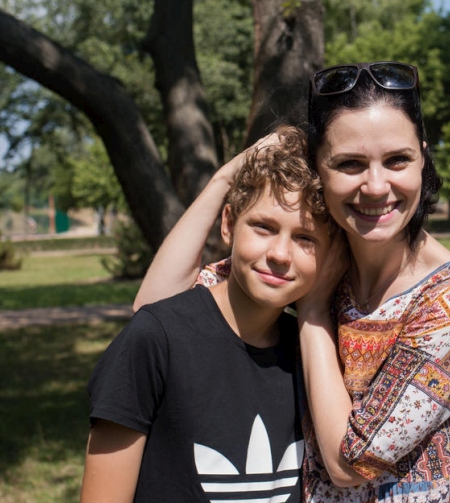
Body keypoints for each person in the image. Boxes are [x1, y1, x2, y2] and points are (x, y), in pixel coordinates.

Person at [135, 61, 450, 502]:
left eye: (398, 160)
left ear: (423, 157)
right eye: (350, 164)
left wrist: (312, 314)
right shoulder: (318, 264)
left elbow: (350, 464)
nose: (376, 186)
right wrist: (226, 178)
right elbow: (157, 314)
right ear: (319, 169)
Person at [81, 126, 340, 503]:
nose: (281, 254)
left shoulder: (316, 353)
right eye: (264, 227)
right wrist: (225, 176)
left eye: (306, 239)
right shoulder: (156, 339)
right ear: (228, 224)